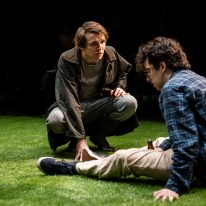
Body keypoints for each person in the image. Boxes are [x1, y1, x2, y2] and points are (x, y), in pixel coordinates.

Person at [36, 36, 206, 202]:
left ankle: (73, 167)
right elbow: (196, 129)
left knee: (124, 158)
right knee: (161, 142)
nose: (148, 79)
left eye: (148, 71)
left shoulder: (173, 89)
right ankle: (106, 160)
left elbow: (187, 145)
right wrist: (165, 146)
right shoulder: (194, 79)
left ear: (161, 66)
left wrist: (175, 186)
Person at [45, 21, 139, 160]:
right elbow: (69, 99)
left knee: (129, 102)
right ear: (82, 46)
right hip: (74, 105)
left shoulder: (110, 53)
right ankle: (74, 140)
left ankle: (98, 135)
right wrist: (80, 138)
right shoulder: (67, 59)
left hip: (99, 103)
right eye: (94, 43)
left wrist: (119, 86)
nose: (100, 47)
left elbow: (122, 72)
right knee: (55, 120)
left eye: (102, 41)